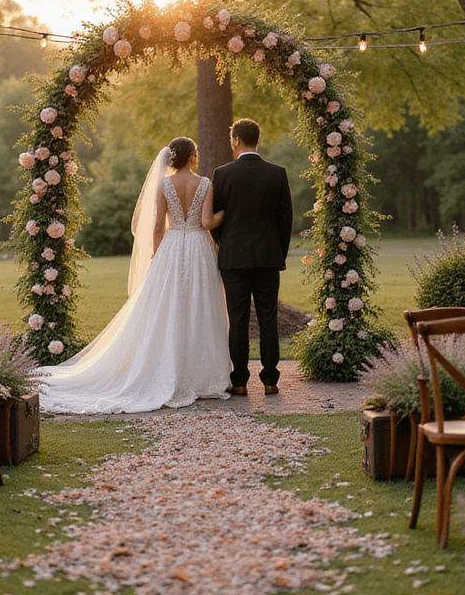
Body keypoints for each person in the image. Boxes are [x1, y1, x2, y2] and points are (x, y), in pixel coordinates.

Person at [37, 137, 230, 414]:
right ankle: (202, 377)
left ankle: (167, 368)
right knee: (201, 306)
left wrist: (156, 256)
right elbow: (207, 222)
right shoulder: (205, 184)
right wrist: (227, 212)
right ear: (193, 156)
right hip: (200, 247)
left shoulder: (164, 185)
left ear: (173, 158)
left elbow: (157, 228)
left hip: (172, 246)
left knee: (169, 307)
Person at [205, 118, 293, 396]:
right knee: (269, 318)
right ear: (258, 139)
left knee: (238, 319)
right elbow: (285, 219)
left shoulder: (222, 174)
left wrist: (225, 243)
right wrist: (278, 251)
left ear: (236, 140)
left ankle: (240, 380)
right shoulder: (277, 173)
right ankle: (270, 380)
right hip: (268, 256)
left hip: (233, 258)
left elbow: (216, 219)